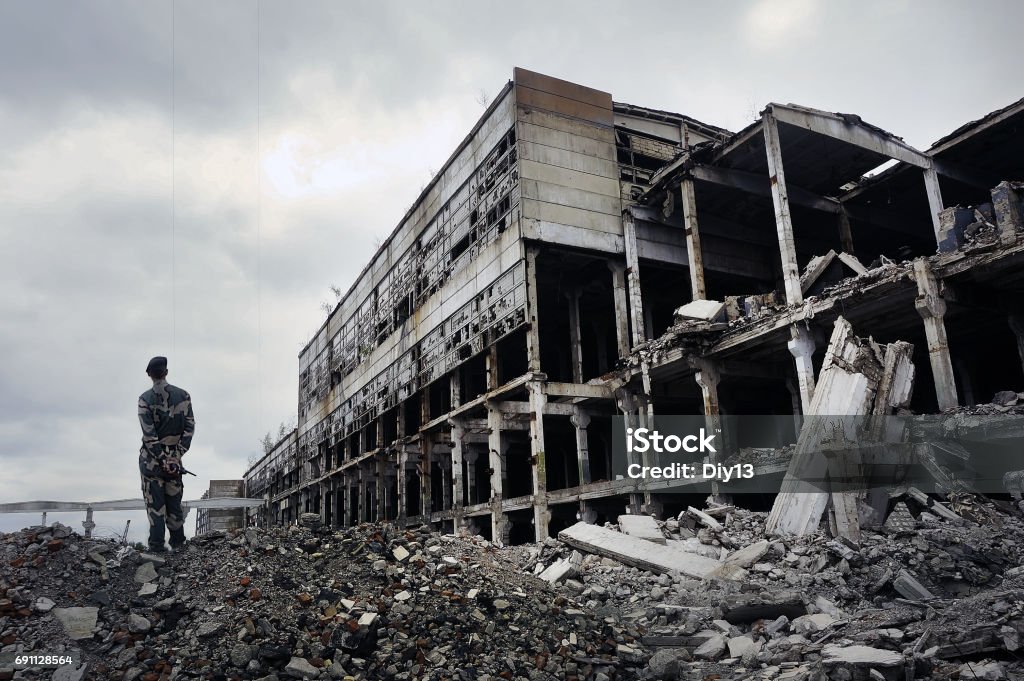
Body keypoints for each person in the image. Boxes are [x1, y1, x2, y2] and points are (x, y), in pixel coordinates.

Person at [138, 356, 195, 552]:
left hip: (151, 463)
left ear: (149, 375)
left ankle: (156, 549)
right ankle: (179, 547)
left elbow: (149, 435)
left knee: (155, 507)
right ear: (166, 372)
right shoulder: (184, 396)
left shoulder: (145, 400)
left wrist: (161, 459)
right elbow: (189, 429)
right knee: (174, 505)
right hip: (174, 463)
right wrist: (175, 456)